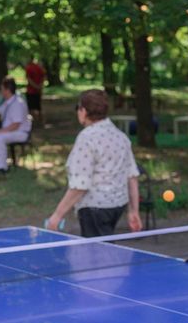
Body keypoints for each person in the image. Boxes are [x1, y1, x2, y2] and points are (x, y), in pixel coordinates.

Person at [44, 89, 142, 237]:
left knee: (97, 256)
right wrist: (133, 211)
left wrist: (57, 216)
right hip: (117, 206)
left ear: (83, 111)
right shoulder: (120, 136)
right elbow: (132, 177)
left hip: (95, 208)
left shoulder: (86, 138)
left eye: (78, 108)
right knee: (104, 251)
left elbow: (80, 186)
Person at [24, 58, 46, 123]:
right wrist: (40, 86)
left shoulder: (29, 68)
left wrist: (35, 86)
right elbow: (43, 77)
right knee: (38, 107)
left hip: (31, 91)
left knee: (31, 108)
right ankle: (40, 121)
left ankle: (32, 122)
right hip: (37, 90)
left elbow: (29, 79)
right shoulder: (40, 68)